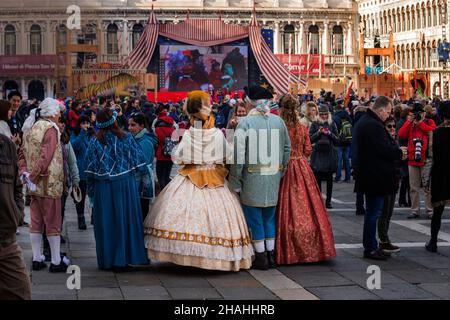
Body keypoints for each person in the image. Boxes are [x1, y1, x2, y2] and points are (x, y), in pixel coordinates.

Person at [144, 91, 253, 271]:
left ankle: (187, 255)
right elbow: (228, 154)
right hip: (215, 179)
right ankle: (214, 257)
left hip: (190, 176)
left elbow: (178, 157)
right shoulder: (217, 134)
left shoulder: (189, 134)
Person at [229, 86, 291, 270]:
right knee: (269, 218)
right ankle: (271, 256)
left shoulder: (246, 123)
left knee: (255, 219)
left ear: (251, 103)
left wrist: (235, 179)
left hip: (252, 178)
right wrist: (281, 169)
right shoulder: (279, 122)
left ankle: (261, 258)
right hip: (273, 177)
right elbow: (287, 148)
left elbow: (238, 155)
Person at [85, 108, 149, 271]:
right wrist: (145, 179)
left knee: (107, 222)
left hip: (103, 186)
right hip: (125, 184)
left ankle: (109, 259)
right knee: (125, 220)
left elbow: (89, 168)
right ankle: (125, 258)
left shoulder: (94, 141)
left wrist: (91, 191)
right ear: (114, 120)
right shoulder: (126, 138)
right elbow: (140, 161)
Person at [275, 95, 336, 265]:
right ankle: (313, 247)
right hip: (301, 166)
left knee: (285, 205)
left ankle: (289, 248)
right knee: (309, 204)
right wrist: (301, 156)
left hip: (285, 167)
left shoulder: (280, 127)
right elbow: (308, 149)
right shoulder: (301, 127)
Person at [19, 98, 71, 272]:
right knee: (53, 222)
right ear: (53, 112)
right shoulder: (51, 129)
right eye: (58, 112)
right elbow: (46, 156)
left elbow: (23, 154)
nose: (59, 116)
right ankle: (56, 260)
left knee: (36, 222)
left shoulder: (30, 127)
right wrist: (33, 176)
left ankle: (36, 258)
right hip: (49, 183)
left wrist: (25, 174)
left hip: (34, 186)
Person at [352, 96, 405, 260]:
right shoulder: (373, 125)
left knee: (372, 212)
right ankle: (370, 247)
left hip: (369, 175)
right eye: (387, 112)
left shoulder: (365, 122)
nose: (388, 115)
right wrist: (399, 152)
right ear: (381, 109)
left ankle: (371, 245)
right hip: (375, 176)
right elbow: (382, 150)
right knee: (373, 213)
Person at [0, 132, 31, 300]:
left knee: (21, 292)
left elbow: (17, 187)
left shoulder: (6, 145)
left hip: (6, 239)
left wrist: (17, 214)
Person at [398, 103, 436, 219]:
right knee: (413, 187)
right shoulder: (411, 123)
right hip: (412, 159)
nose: (418, 115)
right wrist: (410, 121)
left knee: (426, 187)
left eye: (419, 113)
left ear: (424, 113)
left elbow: (433, 131)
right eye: (415, 113)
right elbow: (401, 134)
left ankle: (430, 210)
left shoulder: (429, 122)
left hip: (426, 159)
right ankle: (414, 210)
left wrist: (420, 123)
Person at [425, 101, 450, 253]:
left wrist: (426, 180)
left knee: (438, 212)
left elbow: (430, 159)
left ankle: (433, 242)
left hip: (441, 175)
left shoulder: (435, 133)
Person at [377, 116, 401, 254]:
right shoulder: (385, 141)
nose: (392, 129)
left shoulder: (394, 140)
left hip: (394, 179)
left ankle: (385, 239)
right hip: (386, 179)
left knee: (389, 212)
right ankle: (383, 240)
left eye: (393, 126)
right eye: (389, 126)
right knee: (384, 212)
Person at [309, 105, 339, 209]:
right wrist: (319, 132)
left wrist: (330, 133)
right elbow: (310, 139)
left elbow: (337, 140)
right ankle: (319, 201)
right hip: (318, 155)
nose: (324, 116)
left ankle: (328, 201)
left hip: (329, 154)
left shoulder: (332, 123)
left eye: (326, 114)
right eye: (322, 114)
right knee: (318, 180)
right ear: (319, 114)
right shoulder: (315, 123)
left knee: (329, 179)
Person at [128, 112, 157, 220]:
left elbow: (142, 164)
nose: (130, 128)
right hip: (135, 182)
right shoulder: (134, 139)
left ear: (142, 126)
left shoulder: (145, 142)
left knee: (141, 214)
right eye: (129, 125)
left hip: (142, 185)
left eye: (133, 125)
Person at [71, 116, 94, 229]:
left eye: (87, 123)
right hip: (80, 171)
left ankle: (94, 216)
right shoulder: (75, 135)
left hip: (91, 171)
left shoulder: (91, 135)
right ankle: (81, 218)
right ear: (79, 125)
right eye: (83, 123)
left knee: (93, 195)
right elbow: (74, 147)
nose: (86, 125)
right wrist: (81, 134)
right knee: (80, 196)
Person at [154, 110, 176, 190]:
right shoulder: (174, 130)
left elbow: (155, 143)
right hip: (170, 156)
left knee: (160, 176)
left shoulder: (157, 130)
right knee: (166, 176)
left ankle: (163, 192)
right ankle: (168, 191)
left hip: (160, 156)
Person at [333, 103, 353, 183]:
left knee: (339, 160)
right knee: (347, 160)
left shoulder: (335, 117)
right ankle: (348, 178)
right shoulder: (347, 116)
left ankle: (338, 177)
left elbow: (334, 129)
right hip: (348, 142)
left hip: (339, 142)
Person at [397, 107, 412, 208]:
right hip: (405, 151)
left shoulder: (402, 122)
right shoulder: (403, 123)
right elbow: (402, 136)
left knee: (406, 178)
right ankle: (404, 200)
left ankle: (404, 200)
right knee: (406, 178)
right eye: (410, 115)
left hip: (405, 151)